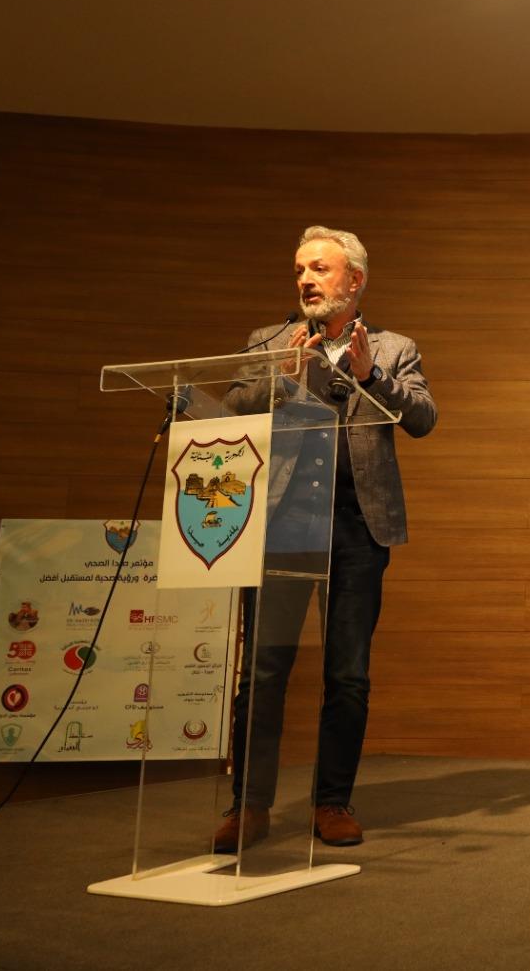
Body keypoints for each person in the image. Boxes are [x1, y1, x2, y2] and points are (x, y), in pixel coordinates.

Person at [214, 225, 437, 853]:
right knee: (263, 672)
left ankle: (332, 801)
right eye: (299, 271)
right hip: (282, 525)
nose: (306, 280)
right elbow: (232, 409)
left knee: (348, 674)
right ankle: (248, 805)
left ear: (354, 280)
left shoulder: (393, 348)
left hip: (358, 525)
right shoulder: (270, 341)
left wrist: (373, 377)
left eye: (319, 268)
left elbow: (423, 418)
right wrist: (280, 378)